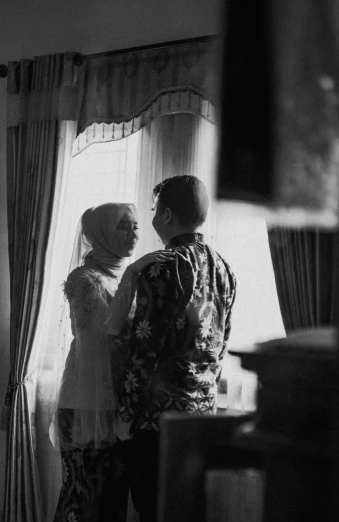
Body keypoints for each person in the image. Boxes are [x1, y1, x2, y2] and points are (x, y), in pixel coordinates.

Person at [117, 176, 237, 522]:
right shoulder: (223, 267)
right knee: (185, 510)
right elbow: (223, 341)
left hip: (158, 419)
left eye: (154, 210)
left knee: (151, 506)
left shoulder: (162, 266)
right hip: (202, 414)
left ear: (167, 216)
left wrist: (126, 412)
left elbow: (144, 344)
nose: (153, 217)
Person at [52, 203, 174, 522]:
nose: (133, 233)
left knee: (113, 499)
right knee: (83, 496)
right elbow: (108, 328)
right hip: (84, 402)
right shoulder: (84, 278)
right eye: (123, 226)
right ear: (101, 233)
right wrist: (133, 275)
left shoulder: (126, 275)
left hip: (118, 404)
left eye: (135, 226)